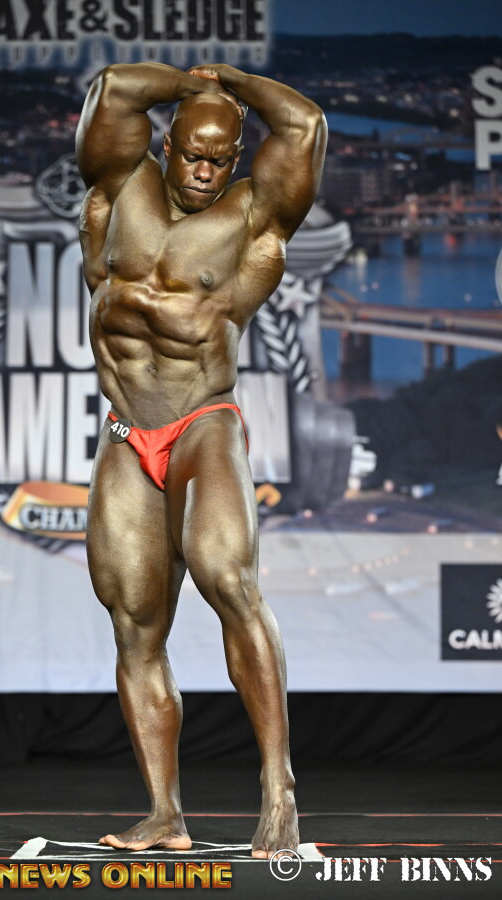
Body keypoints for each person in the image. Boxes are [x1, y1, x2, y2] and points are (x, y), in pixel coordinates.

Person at [76, 61, 327, 859]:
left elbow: (306, 127)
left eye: (220, 159)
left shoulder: (256, 214)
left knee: (228, 582)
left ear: (236, 157)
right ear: (168, 142)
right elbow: (114, 88)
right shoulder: (120, 182)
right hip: (127, 434)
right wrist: (190, 82)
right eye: (192, 153)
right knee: (135, 627)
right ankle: (164, 814)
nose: (204, 170)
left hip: (201, 424)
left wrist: (236, 82)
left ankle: (280, 794)